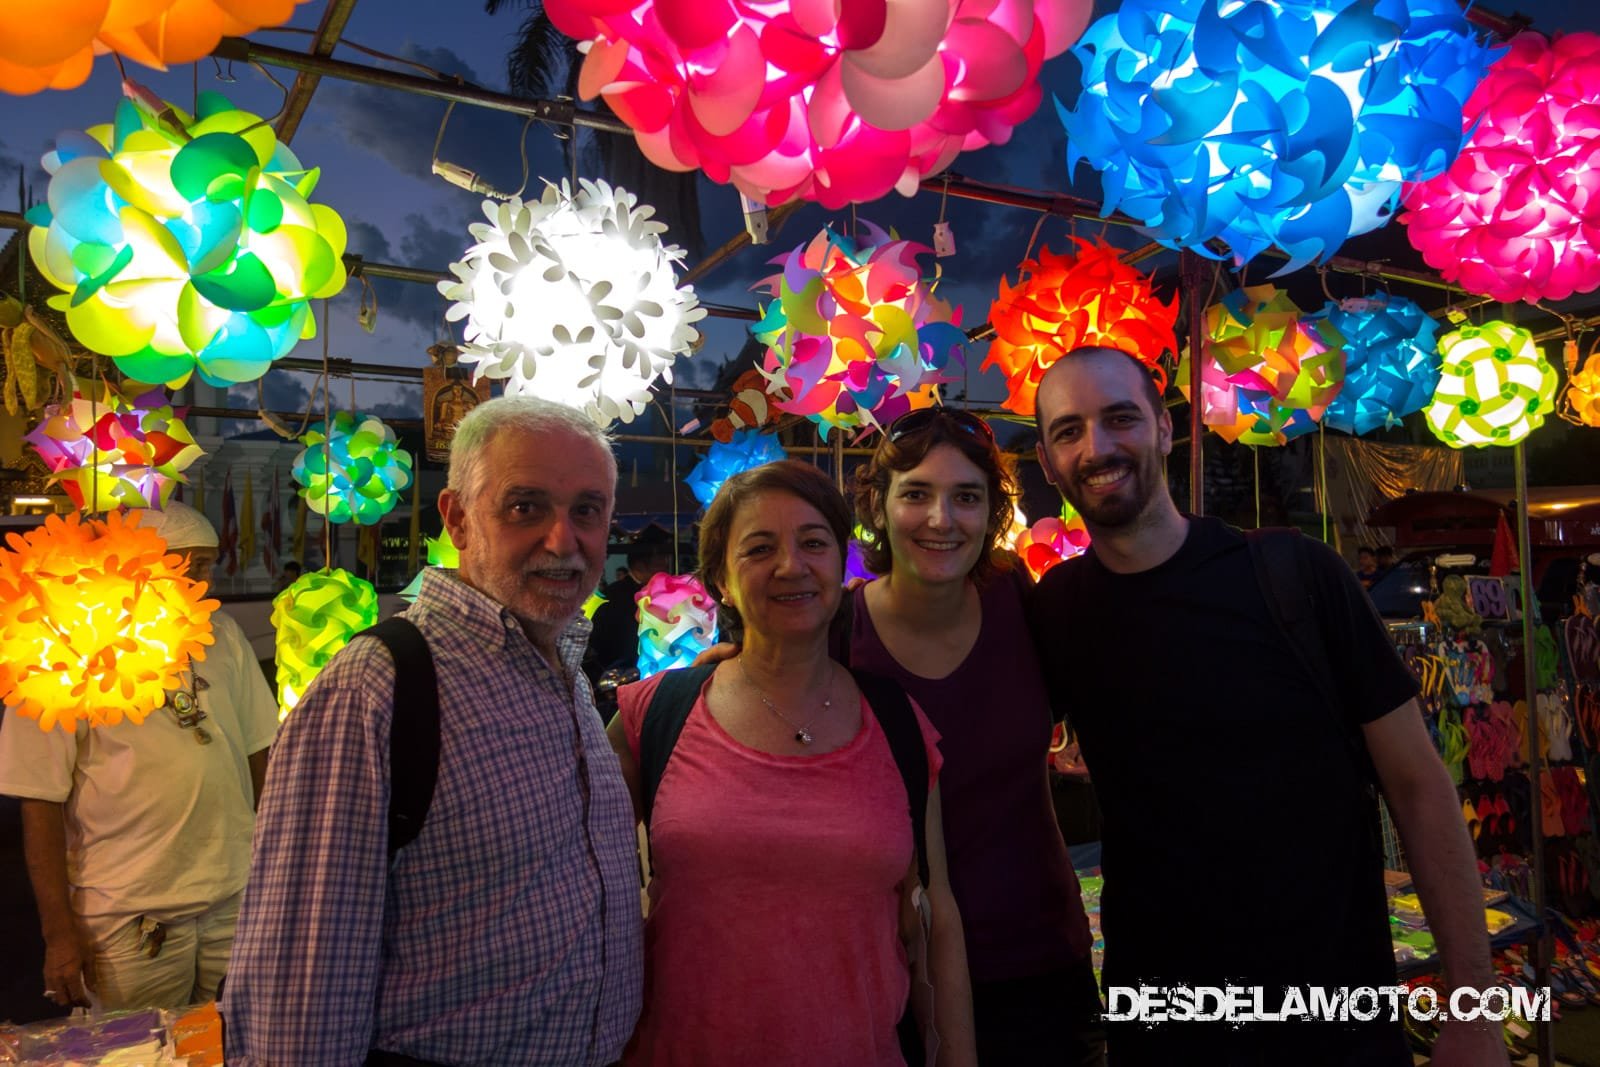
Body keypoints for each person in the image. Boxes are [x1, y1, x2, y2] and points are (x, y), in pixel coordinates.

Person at [1027, 347, 1506, 1066]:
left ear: (1164, 429)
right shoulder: (1058, 611)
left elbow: (1420, 786)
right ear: (1047, 461)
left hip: (1331, 1013)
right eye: (1069, 430)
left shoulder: (1294, 574)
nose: (1096, 446)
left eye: (1119, 418)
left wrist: (1473, 1010)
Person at [221, 397, 643, 1065]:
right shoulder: (379, 685)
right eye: (525, 506)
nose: (564, 540)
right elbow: (298, 998)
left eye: (586, 510)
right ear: (457, 518)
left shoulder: (561, 670)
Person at [606, 460, 976, 1066]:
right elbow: (576, 898)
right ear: (721, 579)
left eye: (813, 543)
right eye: (759, 548)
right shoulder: (654, 714)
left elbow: (936, 927)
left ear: (840, 563)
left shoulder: (900, 726)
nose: (791, 566)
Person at [848, 408, 1102, 1066]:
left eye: (966, 496)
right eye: (916, 494)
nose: (942, 519)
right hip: (896, 968)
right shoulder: (840, 633)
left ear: (993, 513)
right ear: (877, 507)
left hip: (1041, 955)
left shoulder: (1015, 594)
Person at [0, 502, 278, 1012]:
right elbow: (39, 805)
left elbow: (261, 755)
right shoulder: (55, 651)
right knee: (137, 1052)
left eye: (209, 566)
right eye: (188, 567)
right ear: (130, 565)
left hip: (234, 898)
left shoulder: (223, 637)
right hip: (129, 915)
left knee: (237, 1042)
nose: (205, 583)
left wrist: (276, 875)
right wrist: (59, 935)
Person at [585, 525, 676, 687]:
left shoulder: (669, 594)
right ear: (640, 565)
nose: (666, 565)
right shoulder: (613, 598)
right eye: (661, 561)